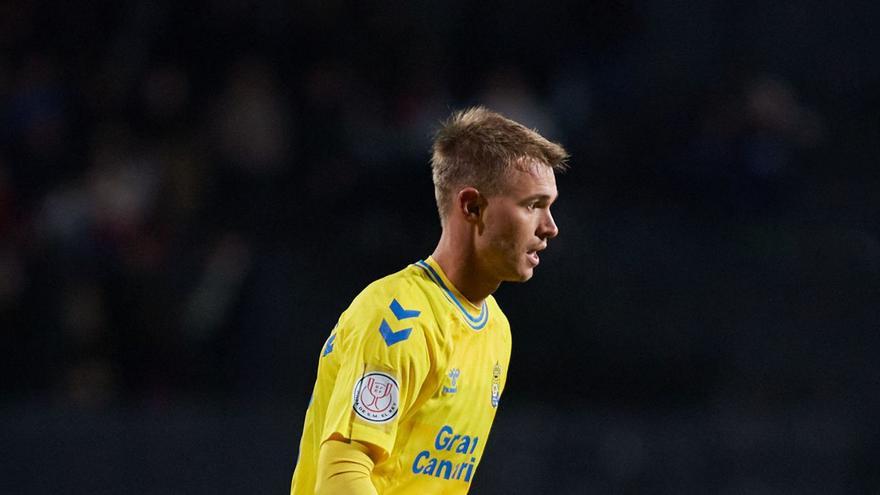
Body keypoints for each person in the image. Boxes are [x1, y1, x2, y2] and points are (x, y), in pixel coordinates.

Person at [290, 106, 569, 495]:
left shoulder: (495, 329)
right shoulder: (399, 317)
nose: (550, 227)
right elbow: (341, 476)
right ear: (472, 206)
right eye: (532, 205)